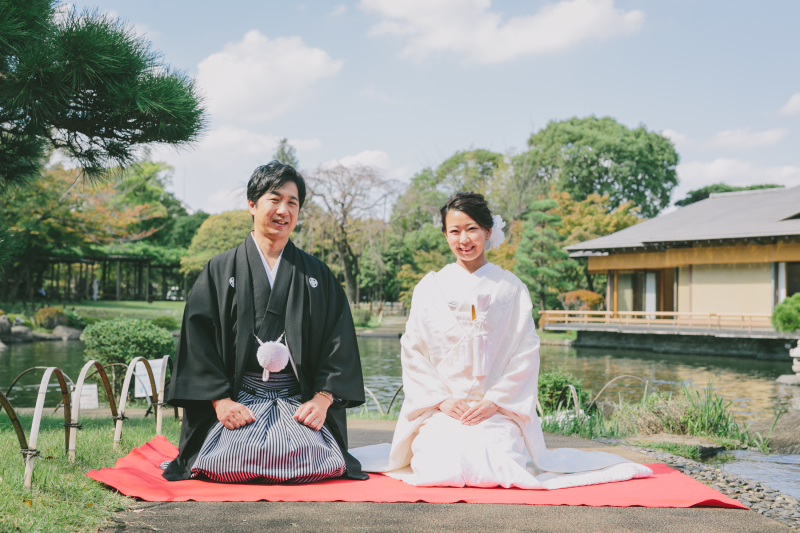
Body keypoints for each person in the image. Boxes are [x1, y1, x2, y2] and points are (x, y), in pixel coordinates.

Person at [352, 192, 651, 489]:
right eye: (454, 231)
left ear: (488, 231)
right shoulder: (429, 287)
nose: (464, 239)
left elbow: (526, 352)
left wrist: (494, 401)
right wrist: (443, 400)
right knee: (439, 465)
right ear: (445, 234)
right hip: (442, 408)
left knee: (495, 461)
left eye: (472, 229)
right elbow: (413, 350)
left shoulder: (511, 288)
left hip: (494, 409)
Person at [162, 161, 368, 483]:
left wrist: (322, 399)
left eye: (292, 202)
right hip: (237, 401)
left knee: (315, 460)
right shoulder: (219, 269)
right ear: (252, 204)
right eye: (274, 199)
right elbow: (198, 342)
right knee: (230, 459)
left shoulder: (317, 275)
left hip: (297, 402)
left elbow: (338, 343)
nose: (283, 210)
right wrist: (220, 401)